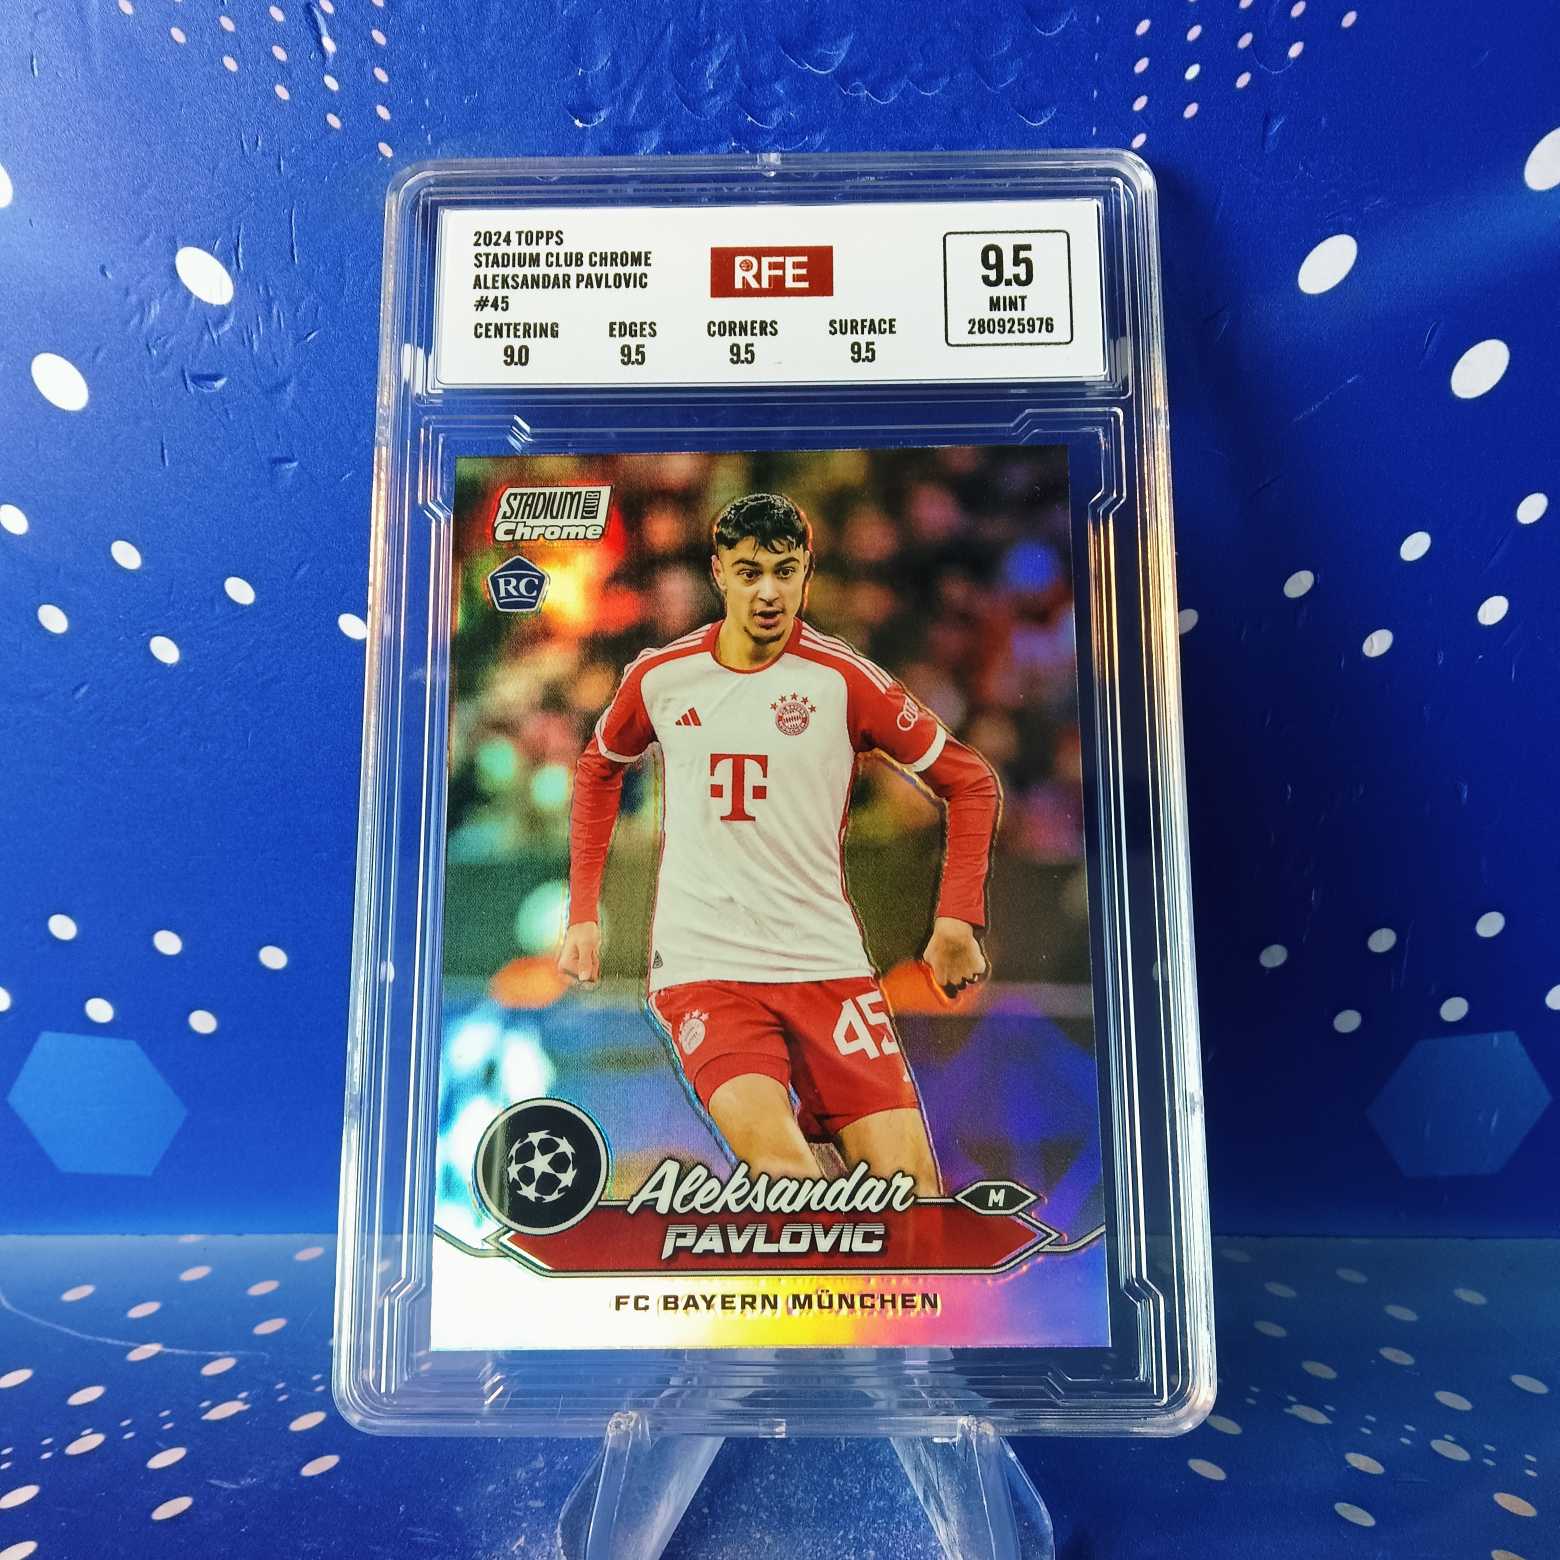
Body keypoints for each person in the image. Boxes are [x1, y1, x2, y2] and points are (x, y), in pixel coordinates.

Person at [557, 493, 1000, 1195]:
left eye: (785, 571)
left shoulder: (842, 679)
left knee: (916, 1203)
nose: (768, 591)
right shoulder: (662, 676)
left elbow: (970, 781)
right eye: (749, 572)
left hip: (827, 967)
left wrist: (955, 920)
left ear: (806, 573)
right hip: (707, 970)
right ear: (719, 574)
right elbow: (598, 768)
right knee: (786, 1177)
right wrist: (583, 914)